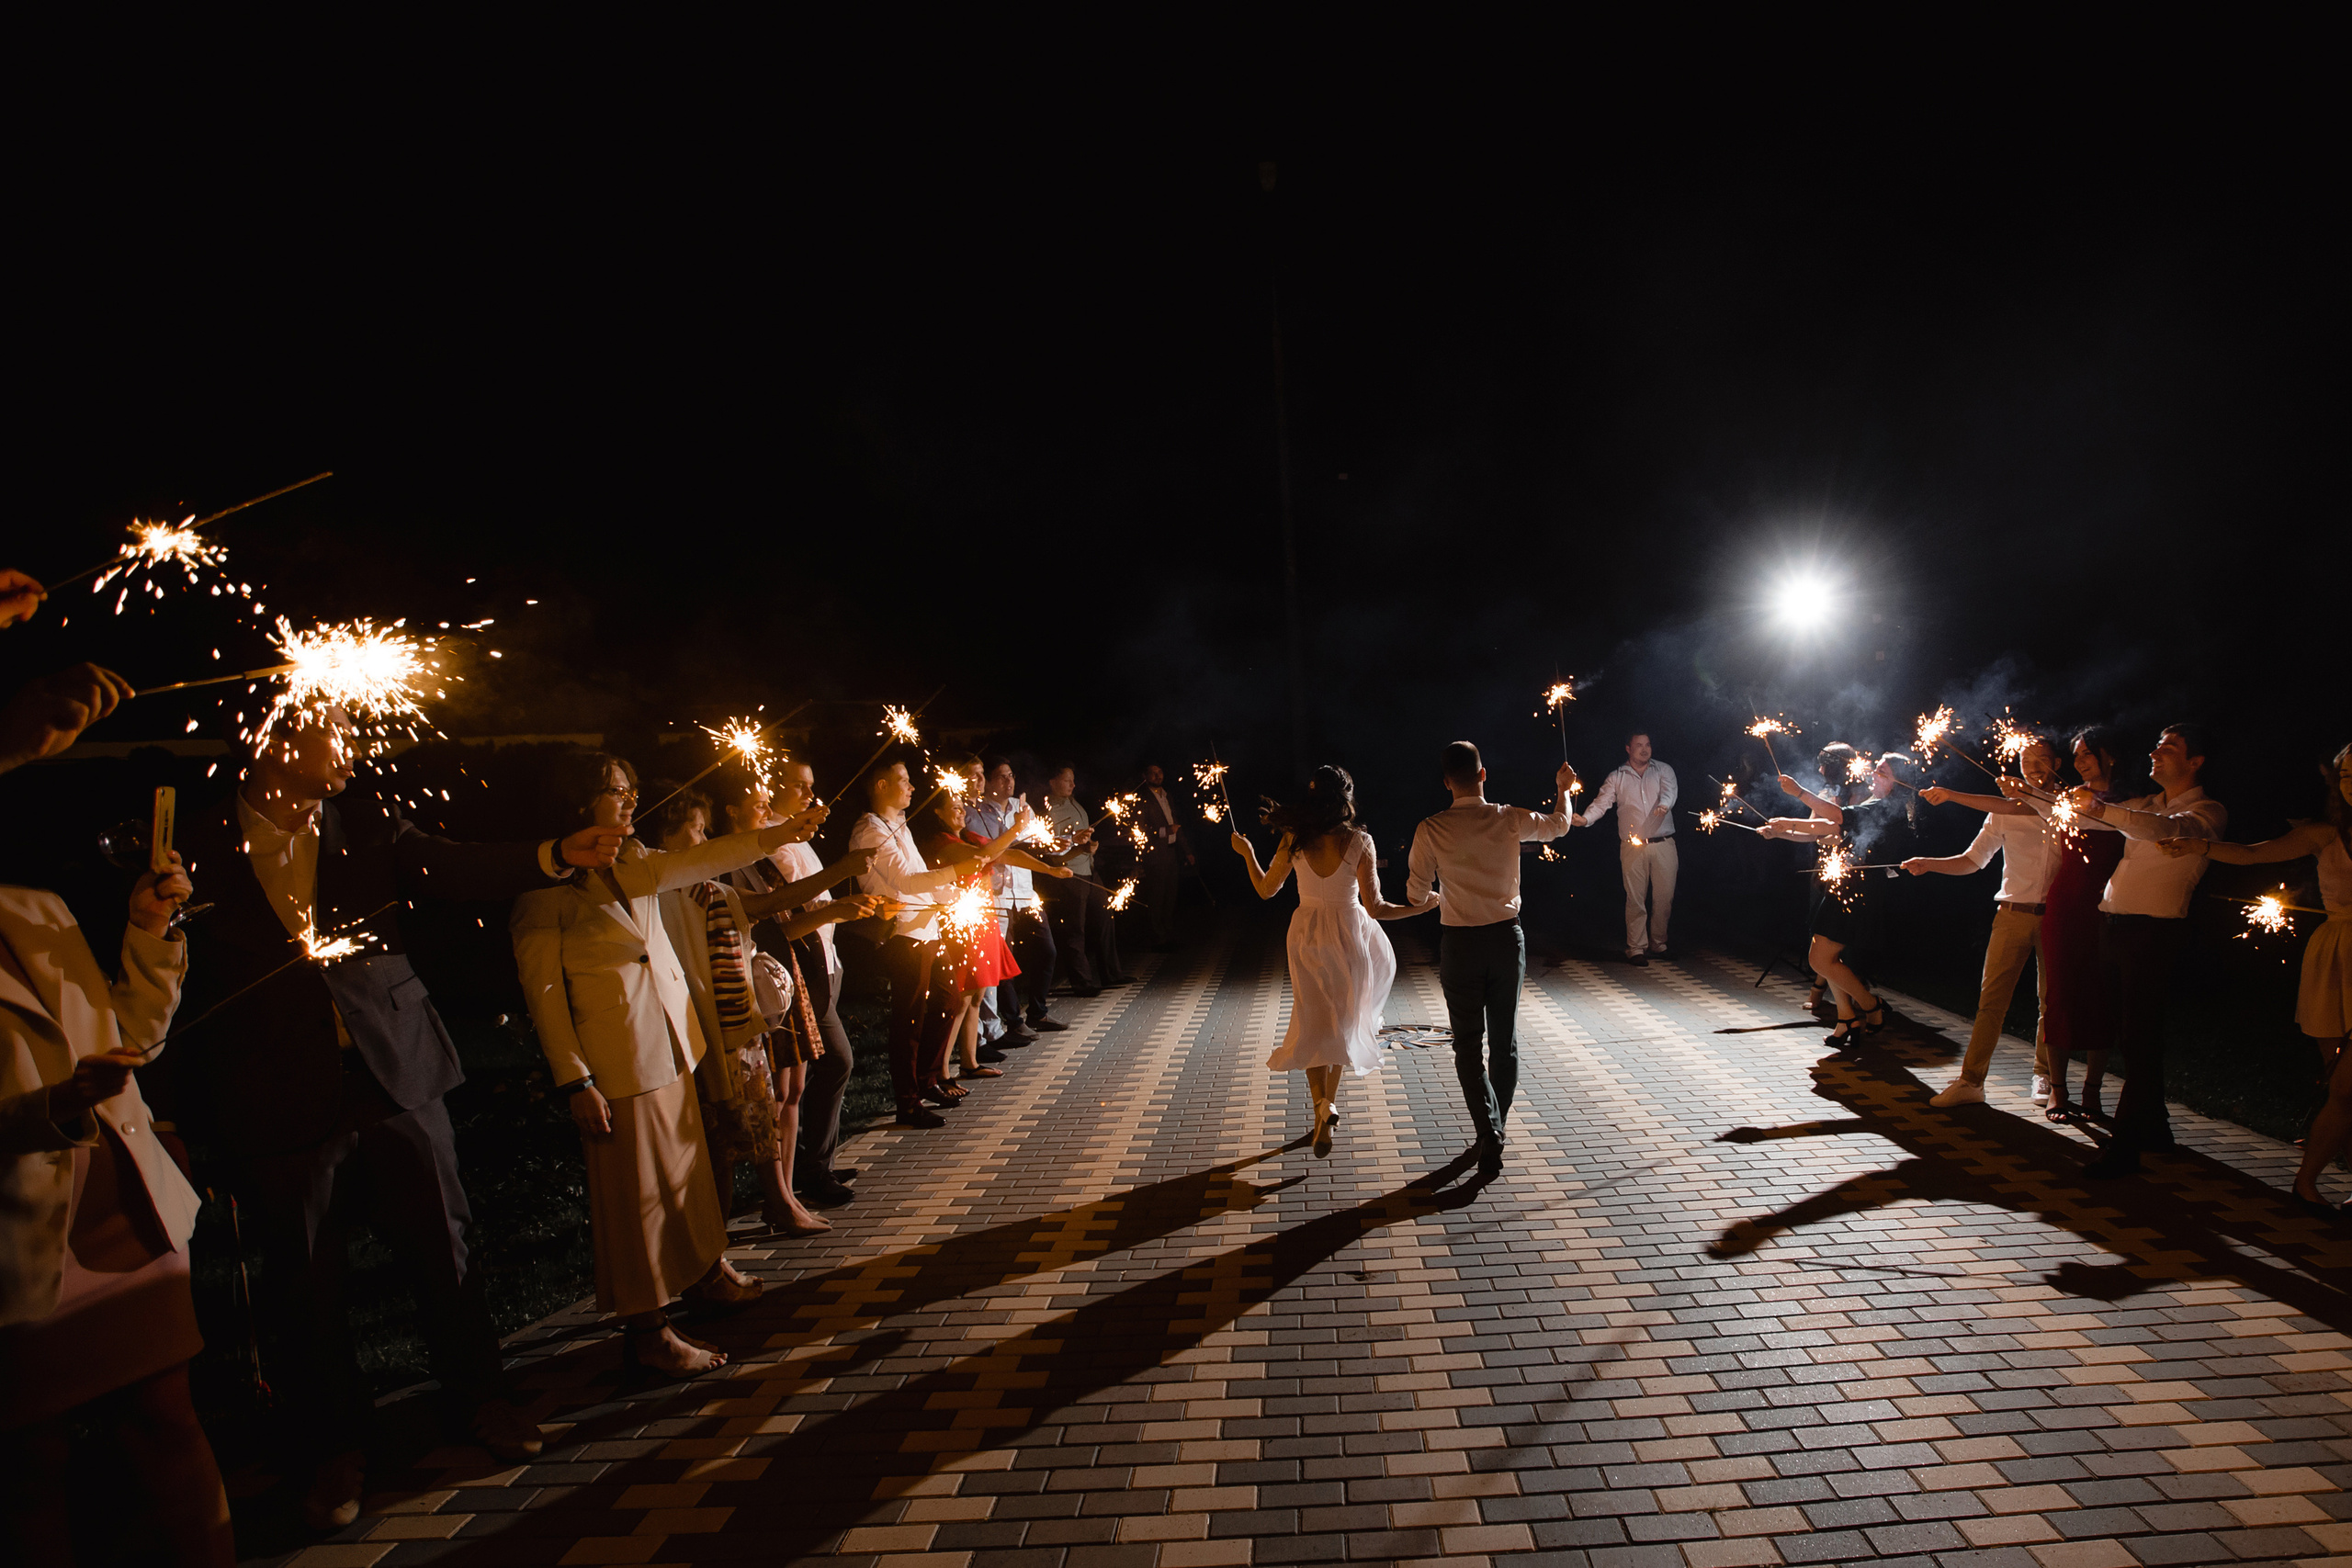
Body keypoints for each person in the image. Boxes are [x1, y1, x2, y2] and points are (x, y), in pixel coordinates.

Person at [172, 708, 620, 1530]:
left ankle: (482, 1399)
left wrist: (555, 854)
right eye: (331, 733)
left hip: (396, 1067)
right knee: (305, 1276)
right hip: (275, 1086)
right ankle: (335, 1447)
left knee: (444, 1242)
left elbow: (452, 866)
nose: (351, 747)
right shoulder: (193, 842)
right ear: (274, 743)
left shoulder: (366, 820)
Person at [511, 752, 825, 1380]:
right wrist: (575, 1078)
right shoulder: (545, 896)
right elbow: (544, 997)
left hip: (674, 1046)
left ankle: (705, 1274)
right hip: (617, 1064)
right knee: (636, 1199)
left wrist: (778, 834)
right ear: (580, 804)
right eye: (615, 791)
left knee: (687, 1177)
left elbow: (704, 858)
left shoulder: (635, 864)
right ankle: (647, 1328)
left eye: (631, 790)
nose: (629, 801)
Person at [2, 859, 235, 1567]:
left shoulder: (36, 904)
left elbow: (130, 1034)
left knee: (168, 1420)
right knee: (30, 1460)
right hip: (17, 1229)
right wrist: (54, 1106)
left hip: (122, 1200)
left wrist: (147, 934)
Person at [2158, 741, 2349, 1209]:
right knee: (2344, 1084)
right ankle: (2307, 1184)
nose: (2351, 783)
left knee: (2349, 1087)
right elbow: (2252, 853)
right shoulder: (2325, 834)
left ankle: (2310, 1182)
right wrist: (2201, 845)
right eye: (2345, 775)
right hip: (2338, 957)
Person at [647, 786, 836, 1238]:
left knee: (757, 1118)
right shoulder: (661, 885)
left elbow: (768, 905)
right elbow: (767, 907)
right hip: (701, 1024)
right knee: (720, 1138)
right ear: (668, 833)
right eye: (695, 828)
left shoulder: (706, 886)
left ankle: (777, 1201)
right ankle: (716, 1243)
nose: (703, 836)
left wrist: (844, 875)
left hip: (738, 1021)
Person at [1232, 766, 1434, 1156]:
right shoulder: (1360, 841)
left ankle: (1319, 1108)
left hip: (1306, 934)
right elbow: (1376, 909)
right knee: (1344, 1020)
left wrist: (1248, 854)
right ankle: (1328, 1107)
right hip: (1349, 934)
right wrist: (1421, 908)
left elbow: (1265, 889)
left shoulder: (1294, 838)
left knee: (1312, 1020)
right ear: (1347, 798)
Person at [1405, 742, 1580, 1177]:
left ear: (1446, 781)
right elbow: (1560, 826)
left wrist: (1434, 897)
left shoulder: (1431, 828)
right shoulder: (1508, 818)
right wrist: (1564, 788)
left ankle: (1489, 1131)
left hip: (1459, 944)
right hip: (1506, 940)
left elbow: (1413, 893)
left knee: (1467, 1045)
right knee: (1505, 1042)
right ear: (1483, 775)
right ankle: (1495, 1128)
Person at [710, 765, 880, 1209]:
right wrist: (836, 901)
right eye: (760, 803)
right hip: (771, 983)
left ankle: (798, 1179)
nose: (767, 808)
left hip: (807, 972)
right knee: (783, 1091)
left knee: (795, 1089)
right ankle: (791, 1187)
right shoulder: (737, 862)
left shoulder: (780, 847)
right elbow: (777, 920)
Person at [2068, 724, 2226, 1180]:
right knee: (2132, 1038)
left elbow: (2163, 831)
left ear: (2195, 762)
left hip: (2153, 936)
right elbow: (2090, 817)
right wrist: (2034, 795)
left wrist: (2101, 808)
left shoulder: (2206, 811)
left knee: (2140, 1037)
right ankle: (2155, 1130)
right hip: (2114, 928)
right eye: (2156, 743)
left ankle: (2125, 1149)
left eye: (2170, 747)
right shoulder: (2144, 803)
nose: (2155, 752)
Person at [849, 760, 1013, 1126]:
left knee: (948, 999)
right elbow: (907, 882)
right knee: (910, 1018)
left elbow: (923, 875)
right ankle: (907, 1101)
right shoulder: (872, 831)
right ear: (880, 786)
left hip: (927, 930)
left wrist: (954, 894)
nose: (910, 787)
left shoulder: (899, 826)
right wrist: (960, 872)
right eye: (903, 781)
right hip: (903, 933)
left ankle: (926, 1081)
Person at [1904, 734, 2062, 1107]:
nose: (2033, 767)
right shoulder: (2000, 811)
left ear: (2057, 763)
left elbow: (2025, 807)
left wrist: (1954, 795)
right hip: (2012, 914)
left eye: (2041, 759)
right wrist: (1930, 864)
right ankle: (1971, 1081)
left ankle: (2044, 1076)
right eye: (2026, 760)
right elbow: (1973, 860)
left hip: (2058, 917)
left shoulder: (2065, 804)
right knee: (1991, 1001)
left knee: (2050, 1002)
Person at [2003, 727, 2130, 1121]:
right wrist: (2016, 789)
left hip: (2107, 909)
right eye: (2076, 755)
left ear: (2110, 754)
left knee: (2100, 997)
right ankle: (2058, 1089)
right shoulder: (2064, 799)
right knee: (2057, 996)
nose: (2080, 762)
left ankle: (2092, 1089)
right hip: (2064, 906)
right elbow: (2030, 800)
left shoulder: (2132, 803)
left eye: (2088, 753)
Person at [1758, 744, 1910, 1049]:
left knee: (1821, 958)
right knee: (1825, 956)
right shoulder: (1874, 800)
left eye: (1882, 771)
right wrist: (1784, 826)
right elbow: (1828, 826)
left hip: (1860, 887)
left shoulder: (1889, 807)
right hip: (1843, 880)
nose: (1873, 772)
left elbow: (1836, 818)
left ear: (1898, 782)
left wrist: (1799, 793)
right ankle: (1848, 1018)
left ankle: (1870, 1005)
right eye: (1876, 767)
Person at [969, 756, 1067, 1041]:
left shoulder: (1022, 808)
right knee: (1003, 960)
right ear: (987, 781)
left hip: (1025, 894)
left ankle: (1037, 1012)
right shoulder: (973, 812)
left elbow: (1039, 844)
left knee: (1047, 950)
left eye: (1011, 775)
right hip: (995, 897)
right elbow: (993, 850)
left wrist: (1067, 845)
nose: (1009, 781)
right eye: (1001, 776)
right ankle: (1012, 1021)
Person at [1573, 730, 1679, 964]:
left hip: (1663, 843)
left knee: (1664, 898)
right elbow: (1602, 803)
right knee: (1635, 898)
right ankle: (1636, 948)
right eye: (1639, 745)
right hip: (1632, 846)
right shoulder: (1617, 777)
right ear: (1628, 749)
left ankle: (1658, 944)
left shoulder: (1663, 770)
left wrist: (1663, 805)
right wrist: (1586, 819)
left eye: (1648, 744)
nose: (1645, 749)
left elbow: (1669, 792)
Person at [1036, 765, 1124, 993]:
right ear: (1052, 782)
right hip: (1070, 874)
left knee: (1105, 918)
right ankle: (1082, 982)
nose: (1073, 785)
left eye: (1073, 780)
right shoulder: (1049, 810)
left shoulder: (1075, 803)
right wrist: (1078, 846)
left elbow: (1082, 840)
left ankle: (1111, 974)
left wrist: (1091, 847)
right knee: (1076, 929)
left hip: (1089, 870)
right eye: (1067, 781)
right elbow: (1050, 850)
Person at [1136, 762, 1193, 949]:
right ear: (1144, 776)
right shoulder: (1142, 798)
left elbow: (1175, 825)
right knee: (1157, 896)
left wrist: (1187, 851)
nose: (1157, 776)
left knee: (1170, 895)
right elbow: (1139, 830)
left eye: (1159, 772)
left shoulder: (1167, 796)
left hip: (1170, 853)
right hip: (1155, 855)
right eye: (1152, 773)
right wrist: (1163, 831)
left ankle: (1168, 934)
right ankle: (1157, 937)